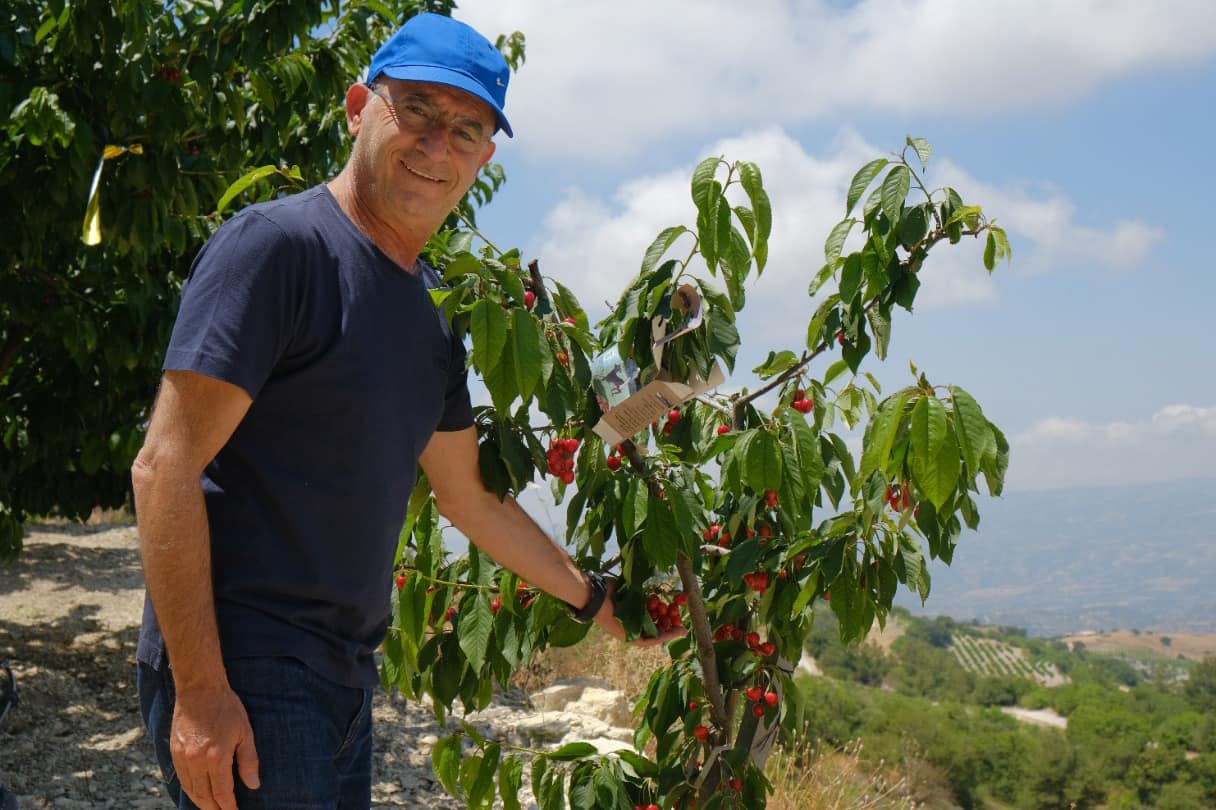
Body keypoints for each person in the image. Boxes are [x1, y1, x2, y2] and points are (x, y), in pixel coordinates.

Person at [131, 13, 676, 810]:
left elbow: (470, 499)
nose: (436, 144)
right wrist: (203, 692)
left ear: (485, 158)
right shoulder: (279, 249)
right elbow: (163, 467)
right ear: (358, 107)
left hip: (345, 676)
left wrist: (596, 601)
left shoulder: (432, 315)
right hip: (249, 664)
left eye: (465, 129)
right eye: (414, 109)